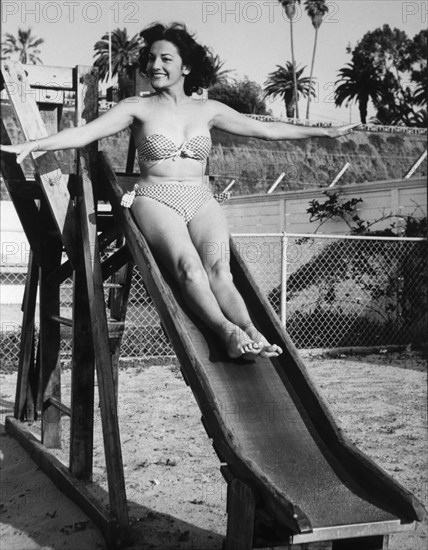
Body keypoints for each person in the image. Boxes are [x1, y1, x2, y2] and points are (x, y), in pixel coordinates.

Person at [1, 22, 359, 360]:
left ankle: (251, 330)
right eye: (152, 58)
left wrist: (324, 133)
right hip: (155, 199)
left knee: (221, 269)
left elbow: (266, 130)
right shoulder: (136, 107)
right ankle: (226, 333)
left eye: (165, 59)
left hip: (200, 200)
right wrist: (35, 144)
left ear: (186, 67)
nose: (155, 65)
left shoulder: (209, 110)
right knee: (190, 267)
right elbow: (85, 133)